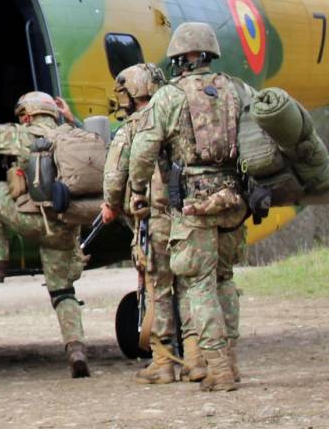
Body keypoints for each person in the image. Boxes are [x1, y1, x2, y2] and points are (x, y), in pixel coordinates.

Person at [125, 22, 253, 392]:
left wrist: (137, 190)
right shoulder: (237, 89)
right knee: (225, 281)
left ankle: (218, 369)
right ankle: (231, 362)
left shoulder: (170, 96)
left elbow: (144, 148)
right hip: (233, 200)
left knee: (199, 284)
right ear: (210, 54)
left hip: (193, 204)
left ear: (179, 58)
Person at [0, 90, 91, 378]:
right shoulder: (73, 135)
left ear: (27, 115)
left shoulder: (23, 136)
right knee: (63, 292)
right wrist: (72, 119)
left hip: (35, 221)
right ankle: (76, 349)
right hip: (68, 228)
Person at [100, 62, 196, 383]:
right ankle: (196, 357)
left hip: (152, 217)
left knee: (157, 286)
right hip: (185, 213)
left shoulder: (132, 128)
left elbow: (115, 176)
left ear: (132, 92)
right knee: (188, 283)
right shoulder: (178, 115)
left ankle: (162, 361)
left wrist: (112, 205)